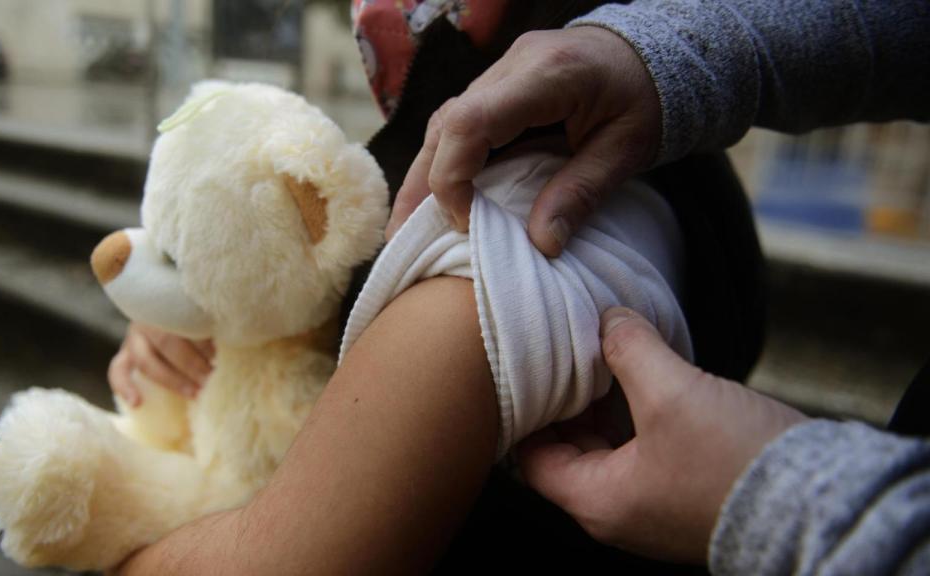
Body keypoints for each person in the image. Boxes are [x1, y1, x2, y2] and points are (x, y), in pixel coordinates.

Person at [110, 1, 929, 575]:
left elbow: (286, 560)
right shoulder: (649, 170)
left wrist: (111, 530)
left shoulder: (496, 243)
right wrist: (199, 307)